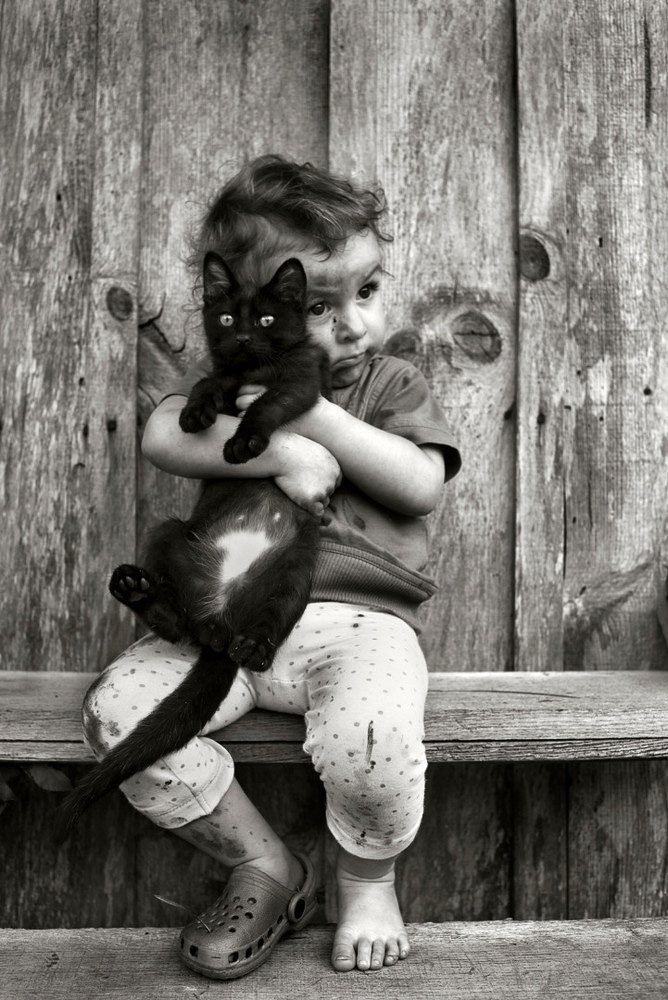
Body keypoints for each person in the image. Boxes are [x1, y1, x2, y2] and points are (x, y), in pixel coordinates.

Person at [82, 155, 461, 979]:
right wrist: (274, 450)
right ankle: (262, 864)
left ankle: (367, 883)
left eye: (366, 291)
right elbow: (162, 435)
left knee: (375, 739)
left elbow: (422, 482)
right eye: (318, 307)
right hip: (229, 619)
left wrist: (316, 415)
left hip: (359, 626)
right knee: (120, 719)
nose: (354, 324)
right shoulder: (236, 381)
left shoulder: (389, 382)